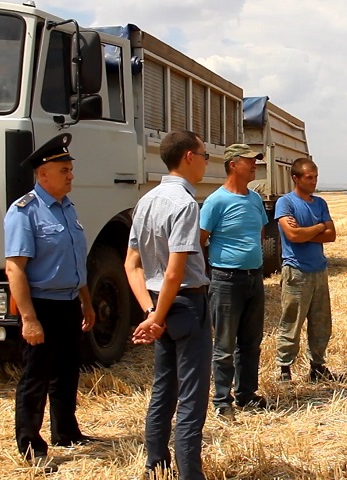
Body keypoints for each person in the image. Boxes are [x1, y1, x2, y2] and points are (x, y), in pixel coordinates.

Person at [4, 133, 97, 473]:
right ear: (43, 174)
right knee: (36, 378)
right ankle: (30, 445)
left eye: (71, 168)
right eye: (64, 169)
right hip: (41, 305)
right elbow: (15, 268)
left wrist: (85, 302)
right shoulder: (24, 212)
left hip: (69, 303)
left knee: (67, 372)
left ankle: (66, 432)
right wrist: (28, 319)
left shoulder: (68, 208)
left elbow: (77, 262)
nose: (71, 175)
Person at [124, 130, 212, 480]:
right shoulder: (186, 205)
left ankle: (156, 464)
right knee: (192, 397)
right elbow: (176, 272)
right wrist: (157, 316)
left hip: (159, 306)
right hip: (186, 305)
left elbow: (131, 264)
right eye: (204, 154)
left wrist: (150, 313)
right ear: (189, 156)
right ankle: (191, 473)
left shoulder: (146, 201)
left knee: (164, 388)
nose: (206, 161)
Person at [200, 144, 269, 420]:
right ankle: (221, 400)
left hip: (255, 278)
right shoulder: (216, 202)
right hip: (226, 280)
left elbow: (260, 232)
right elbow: (200, 241)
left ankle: (246, 394)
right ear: (232, 165)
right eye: (249, 161)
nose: (254, 166)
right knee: (225, 344)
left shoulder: (254, 199)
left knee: (251, 342)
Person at [274, 157, 337, 382]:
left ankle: (318, 367)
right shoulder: (286, 203)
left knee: (321, 323)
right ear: (295, 178)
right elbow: (293, 236)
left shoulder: (319, 203)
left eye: (316, 177)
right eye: (309, 177)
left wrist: (309, 230)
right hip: (296, 271)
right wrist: (320, 227)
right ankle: (284, 369)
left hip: (319, 270)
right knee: (291, 321)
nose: (314, 182)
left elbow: (331, 235)